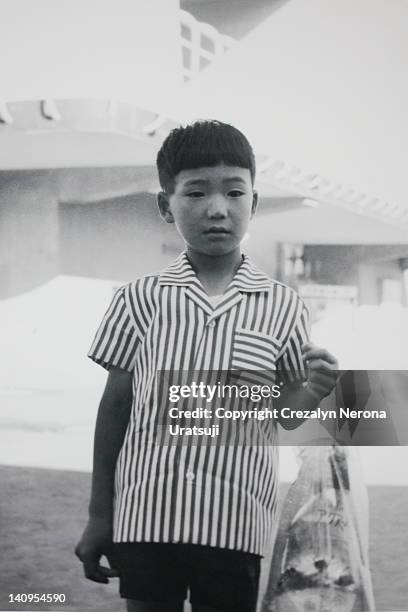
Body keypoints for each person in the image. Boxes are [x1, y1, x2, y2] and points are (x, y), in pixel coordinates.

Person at [75, 120, 338, 612]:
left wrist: (314, 390)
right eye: (195, 192)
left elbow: (284, 413)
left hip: (236, 522)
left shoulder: (283, 306)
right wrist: (99, 515)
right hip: (145, 517)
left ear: (254, 204)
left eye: (235, 192)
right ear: (164, 205)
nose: (217, 208)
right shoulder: (139, 300)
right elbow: (115, 410)